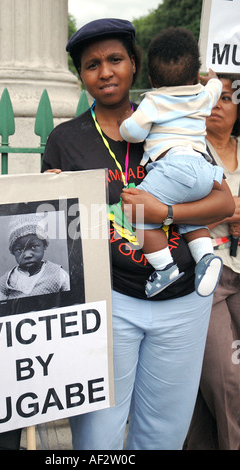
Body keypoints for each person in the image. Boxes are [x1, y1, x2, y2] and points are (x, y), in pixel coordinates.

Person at [41, 18, 235, 450]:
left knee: (163, 433)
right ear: (81, 76)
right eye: (92, 64)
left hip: (184, 303)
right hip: (109, 304)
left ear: (135, 64)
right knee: (97, 435)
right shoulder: (66, 141)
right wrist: (49, 197)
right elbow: (58, 230)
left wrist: (164, 210)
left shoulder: (176, 121)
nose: (105, 71)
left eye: (115, 59)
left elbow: (223, 203)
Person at [119, 27, 223, 298]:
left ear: (152, 79)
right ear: (194, 76)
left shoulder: (155, 100)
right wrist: (210, 79)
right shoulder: (203, 94)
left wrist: (125, 125)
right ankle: (206, 258)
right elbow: (216, 86)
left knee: (139, 212)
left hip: (173, 167)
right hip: (204, 169)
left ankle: (164, 268)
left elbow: (133, 132)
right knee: (192, 216)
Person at [186, 75, 240, 450]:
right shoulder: (186, 150)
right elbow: (163, 215)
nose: (218, 104)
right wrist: (226, 211)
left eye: (227, 97)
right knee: (226, 380)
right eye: (211, 97)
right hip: (208, 274)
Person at [0, 214, 70, 300]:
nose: (27, 255)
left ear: (44, 245)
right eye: (19, 249)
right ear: (13, 252)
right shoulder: (5, 282)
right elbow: (1, 308)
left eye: (33, 247)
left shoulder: (58, 275)